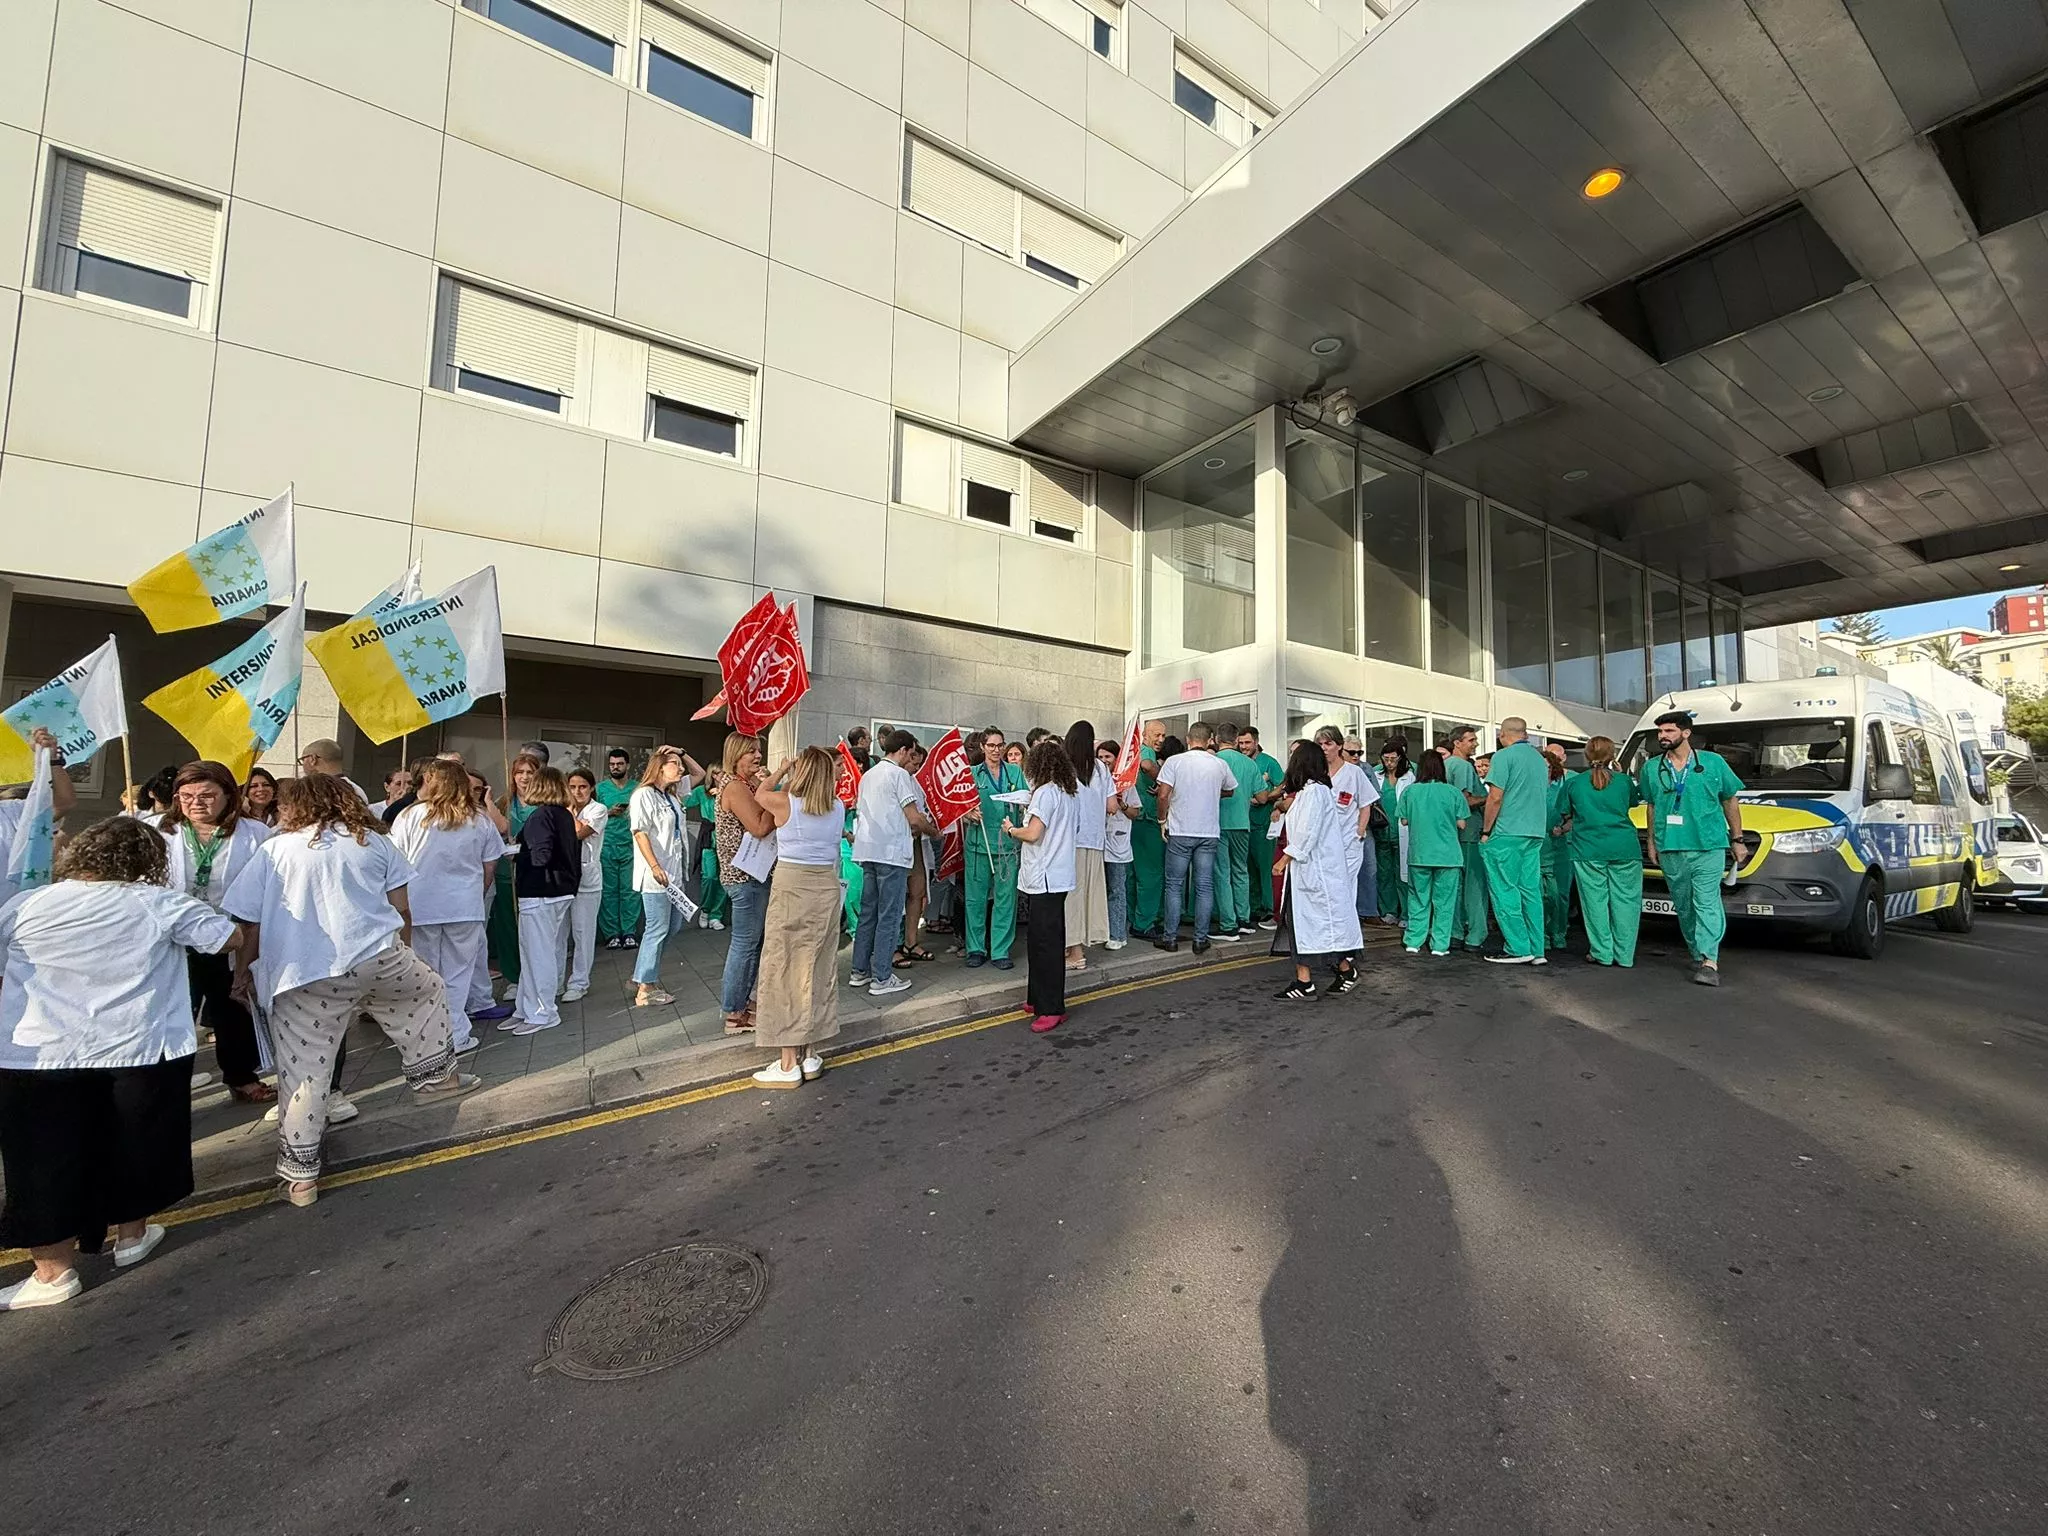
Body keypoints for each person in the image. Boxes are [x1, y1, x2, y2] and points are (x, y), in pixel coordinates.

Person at [0, 818, 243, 1309]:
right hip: (140, 1045)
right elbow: (227, 940)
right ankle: (131, 1235)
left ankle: (53, 1272)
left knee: (42, 1161)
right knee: (135, 1143)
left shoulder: (24, 904)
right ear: (150, 862)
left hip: (40, 1051)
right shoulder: (159, 903)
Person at [223, 775, 479, 1205]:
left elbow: (248, 921)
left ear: (295, 806)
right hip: (375, 956)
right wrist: (407, 952)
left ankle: (301, 1178)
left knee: (303, 1070)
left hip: (305, 973)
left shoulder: (274, 849)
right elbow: (401, 907)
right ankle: (434, 1078)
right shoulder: (374, 842)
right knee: (427, 990)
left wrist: (242, 972)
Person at [157, 761, 275, 1103]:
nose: (196, 803)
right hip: (176, 939)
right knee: (176, 1012)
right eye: (187, 795)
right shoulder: (160, 831)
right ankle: (170, 1081)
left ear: (228, 796)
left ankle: (240, 1075)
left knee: (233, 1009)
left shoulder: (256, 834)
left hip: (232, 936)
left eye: (207, 795)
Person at [748, 748, 844, 1087]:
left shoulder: (786, 802)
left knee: (785, 968)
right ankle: (810, 1054)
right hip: (827, 887)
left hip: (792, 885)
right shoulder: (838, 807)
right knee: (818, 967)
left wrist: (783, 769)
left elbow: (759, 793)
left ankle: (787, 1062)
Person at [389, 761, 500, 1051]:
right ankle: (457, 1034)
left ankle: (430, 1037)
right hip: (464, 905)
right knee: (458, 974)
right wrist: (477, 892)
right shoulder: (479, 818)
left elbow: (394, 861)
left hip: (420, 904)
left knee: (425, 974)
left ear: (430, 781)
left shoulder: (410, 815)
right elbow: (489, 867)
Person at [1638, 710, 1744, 986]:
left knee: (1706, 900)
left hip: (1708, 845)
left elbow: (1729, 801)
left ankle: (1710, 960)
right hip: (1671, 846)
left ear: (1686, 733)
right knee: (1684, 906)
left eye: (1669, 731)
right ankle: (1697, 951)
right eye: (1660, 732)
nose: (1662, 736)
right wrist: (1652, 841)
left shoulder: (1712, 763)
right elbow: (1651, 806)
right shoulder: (1652, 768)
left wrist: (1738, 839)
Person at [1269, 740, 1362, 1000]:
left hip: (1315, 872)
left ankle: (1327, 976)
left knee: (1314, 926)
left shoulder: (1314, 792)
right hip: (1309, 873)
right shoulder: (1313, 791)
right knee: (1307, 926)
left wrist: (1283, 860)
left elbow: (1307, 833)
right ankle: (1311, 979)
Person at [850, 729, 937, 998]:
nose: (912, 758)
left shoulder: (868, 775)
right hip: (892, 853)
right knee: (888, 916)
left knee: (868, 914)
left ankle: (859, 971)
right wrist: (934, 831)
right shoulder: (899, 775)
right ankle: (882, 977)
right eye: (911, 753)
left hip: (869, 851)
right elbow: (914, 817)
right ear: (902, 751)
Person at [1004, 736, 1078, 1033]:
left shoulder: (1046, 794)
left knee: (1046, 944)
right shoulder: (1066, 792)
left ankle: (1052, 1007)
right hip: (1055, 875)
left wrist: (1011, 830)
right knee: (1038, 941)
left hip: (1046, 876)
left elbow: (1034, 834)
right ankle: (1037, 998)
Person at [1153, 722, 1237, 954]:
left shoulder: (1174, 761)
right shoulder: (1219, 764)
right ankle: (1200, 939)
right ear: (1210, 740)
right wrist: (1211, 792)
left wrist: (1162, 820)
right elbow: (1231, 790)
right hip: (1208, 832)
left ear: (1188, 739)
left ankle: (1169, 938)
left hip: (1180, 830)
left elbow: (1162, 795)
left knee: (1174, 885)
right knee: (1204, 885)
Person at [716, 733, 778, 1033]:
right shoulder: (734, 787)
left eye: (759, 751)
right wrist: (772, 790)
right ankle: (733, 1012)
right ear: (736, 755)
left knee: (754, 943)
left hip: (758, 875)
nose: (758, 756)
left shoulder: (749, 785)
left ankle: (744, 1004)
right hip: (744, 878)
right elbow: (761, 826)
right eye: (751, 751)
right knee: (744, 944)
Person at [1563, 736, 1643, 968]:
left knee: (1594, 902)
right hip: (1624, 846)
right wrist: (1620, 773)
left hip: (1588, 848)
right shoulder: (1623, 781)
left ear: (1587, 755)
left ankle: (1602, 952)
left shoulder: (1575, 783)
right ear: (1612, 756)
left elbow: (1565, 811)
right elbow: (1632, 803)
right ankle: (1625, 955)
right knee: (1627, 902)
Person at [510, 767, 579, 1035]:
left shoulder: (541, 816)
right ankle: (526, 1007)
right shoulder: (563, 814)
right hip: (560, 890)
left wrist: (516, 854)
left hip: (540, 890)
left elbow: (541, 856)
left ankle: (542, 1011)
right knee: (537, 952)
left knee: (536, 954)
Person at [1480, 718, 1549, 965]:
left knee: (1504, 889)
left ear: (1502, 734)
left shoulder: (1503, 757)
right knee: (1530, 890)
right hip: (1535, 832)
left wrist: (1486, 830)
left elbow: (1495, 797)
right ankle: (1537, 948)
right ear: (1526, 734)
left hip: (1507, 831)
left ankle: (1518, 947)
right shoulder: (1540, 760)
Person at [627, 745, 690, 1008]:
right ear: (660, 767)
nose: (681, 768)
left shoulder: (672, 797)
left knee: (672, 926)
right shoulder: (643, 795)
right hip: (656, 875)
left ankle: (644, 973)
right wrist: (654, 865)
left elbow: (697, 772)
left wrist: (680, 751)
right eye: (675, 763)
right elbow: (639, 832)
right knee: (657, 927)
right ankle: (646, 987)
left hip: (675, 874)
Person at [963, 728, 1026, 970]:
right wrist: (969, 814)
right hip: (979, 844)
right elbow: (960, 808)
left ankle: (1000, 949)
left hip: (1007, 844)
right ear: (982, 747)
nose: (996, 749)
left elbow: (1024, 801)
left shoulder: (1014, 772)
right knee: (975, 899)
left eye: (1000, 745)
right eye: (991, 745)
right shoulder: (972, 774)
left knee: (1005, 900)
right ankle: (976, 948)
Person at [1397, 750, 1467, 957]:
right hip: (1449, 855)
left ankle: (1413, 940)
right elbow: (1462, 823)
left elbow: (1404, 820)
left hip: (1420, 853)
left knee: (1418, 899)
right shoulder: (1452, 792)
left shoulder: (1411, 791)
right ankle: (1440, 945)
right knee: (1444, 903)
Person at [1062, 720, 1112, 971]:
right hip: (1096, 840)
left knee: (1071, 897)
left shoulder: (1065, 768)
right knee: (1090, 896)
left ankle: (1075, 951)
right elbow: (1112, 806)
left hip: (1070, 840)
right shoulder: (1102, 768)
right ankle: (1080, 944)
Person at [1315, 727, 1375, 916]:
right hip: (1321, 843)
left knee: (1345, 890)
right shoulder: (1316, 773)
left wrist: (1359, 832)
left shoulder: (1353, 773)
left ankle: (1347, 937)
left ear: (1339, 746)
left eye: (1328, 743)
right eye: (1320, 744)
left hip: (1348, 841)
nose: (1324, 748)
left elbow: (1366, 804)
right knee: (1324, 890)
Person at [1214, 725, 1263, 939]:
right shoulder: (1250, 764)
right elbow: (1262, 798)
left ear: (1216, 739)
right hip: (1243, 823)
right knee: (1241, 871)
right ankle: (1244, 919)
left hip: (1218, 823)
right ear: (1236, 741)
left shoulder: (1213, 762)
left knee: (1222, 874)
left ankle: (1228, 924)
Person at [1444, 727, 1490, 950]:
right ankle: (1476, 934)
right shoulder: (1462, 766)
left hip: (1449, 835)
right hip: (1469, 832)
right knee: (1474, 885)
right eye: (1471, 740)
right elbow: (1464, 801)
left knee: (1454, 885)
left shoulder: (1445, 766)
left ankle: (1454, 932)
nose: (1475, 744)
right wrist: (1489, 799)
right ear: (1457, 743)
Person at [564, 768, 606, 1001]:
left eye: (582, 787)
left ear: (591, 788)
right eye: (572, 787)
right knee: (559, 934)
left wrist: (568, 811)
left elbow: (579, 833)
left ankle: (579, 982)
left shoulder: (598, 810)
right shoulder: (562, 809)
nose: (577, 791)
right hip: (562, 878)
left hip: (587, 879)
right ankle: (556, 980)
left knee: (583, 932)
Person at [1237, 727, 1285, 927]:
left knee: (1265, 867)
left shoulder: (1269, 762)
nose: (1244, 747)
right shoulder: (1239, 762)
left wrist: (1267, 798)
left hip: (1263, 823)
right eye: (1241, 743)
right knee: (1248, 868)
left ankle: (1269, 908)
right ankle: (1254, 907)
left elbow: (1283, 785)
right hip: (1243, 822)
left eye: (1247, 743)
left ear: (1256, 742)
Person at [594, 748, 642, 949]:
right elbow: (590, 814)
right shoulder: (600, 789)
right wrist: (608, 812)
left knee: (630, 891)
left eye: (620, 764)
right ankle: (612, 934)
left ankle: (629, 932)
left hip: (631, 846)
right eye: (612, 764)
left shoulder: (638, 787)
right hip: (606, 846)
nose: (616, 767)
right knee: (609, 892)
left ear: (627, 765)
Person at [1129, 719, 1169, 940]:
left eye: (1163, 736)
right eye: (1157, 735)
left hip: (1136, 819)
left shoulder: (1135, 751)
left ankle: (1137, 919)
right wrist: (1164, 780)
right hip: (1147, 820)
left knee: (1136, 874)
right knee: (1151, 874)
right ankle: (1144, 923)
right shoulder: (1145, 753)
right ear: (1145, 734)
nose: (1161, 740)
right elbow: (1146, 765)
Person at [1370, 739, 1415, 928]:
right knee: (1384, 873)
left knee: (1403, 874)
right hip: (1382, 831)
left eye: (1393, 759)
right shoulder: (1375, 773)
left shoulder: (1410, 775)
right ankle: (1389, 910)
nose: (1389, 763)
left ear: (1401, 758)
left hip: (1402, 831)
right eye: (1386, 758)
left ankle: (1405, 912)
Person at [1098, 741, 1137, 951]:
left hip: (1117, 845)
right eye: (1101, 757)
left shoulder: (1126, 784)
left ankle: (1117, 934)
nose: (1104, 762)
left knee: (1117, 890)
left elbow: (1135, 813)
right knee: (1099, 891)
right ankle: (1100, 931)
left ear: (1117, 759)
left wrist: (1121, 803)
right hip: (1097, 843)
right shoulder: (1094, 781)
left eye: (1108, 757)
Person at [899, 742, 935, 967]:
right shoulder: (894, 777)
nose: (915, 767)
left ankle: (911, 941)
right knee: (897, 897)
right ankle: (894, 945)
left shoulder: (915, 782)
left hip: (917, 842)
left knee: (917, 891)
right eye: (913, 761)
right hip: (899, 842)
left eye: (919, 763)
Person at [1541, 742, 1576, 953]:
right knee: (1539, 893)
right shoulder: (1530, 787)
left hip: (1562, 844)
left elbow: (1572, 815)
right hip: (1537, 844)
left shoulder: (1566, 783)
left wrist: (1563, 829)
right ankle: (1542, 934)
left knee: (1560, 893)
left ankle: (1559, 932)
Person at [297, 739, 367, 802]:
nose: (302, 765)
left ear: (313, 759)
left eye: (303, 759)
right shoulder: (357, 791)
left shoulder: (313, 791)